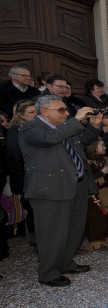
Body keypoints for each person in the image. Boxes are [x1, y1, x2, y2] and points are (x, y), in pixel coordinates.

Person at [19, 95, 102, 287]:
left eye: (66, 109)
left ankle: (65, 262)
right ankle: (48, 272)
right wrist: (75, 120)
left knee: (74, 229)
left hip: (75, 183)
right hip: (50, 189)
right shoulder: (31, 128)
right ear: (44, 112)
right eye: (61, 110)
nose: (66, 113)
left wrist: (93, 125)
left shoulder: (66, 128)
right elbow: (49, 139)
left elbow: (84, 140)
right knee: (52, 232)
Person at [6, 100, 37, 245]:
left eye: (36, 111)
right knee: (33, 214)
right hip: (27, 179)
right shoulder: (15, 131)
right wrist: (22, 182)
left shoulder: (33, 128)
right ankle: (37, 242)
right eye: (31, 112)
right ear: (21, 115)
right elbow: (14, 158)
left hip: (37, 177)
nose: (35, 114)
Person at [84, 138, 108, 250]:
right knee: (96, 218)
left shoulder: (106, 160)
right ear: (94, 148)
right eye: (102, 145)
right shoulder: (88, 163)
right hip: (95, 194)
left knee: (107, 215)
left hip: (107, 192)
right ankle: (97, 241)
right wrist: (101, 173)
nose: (105, 147)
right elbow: (86, 179)